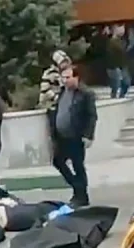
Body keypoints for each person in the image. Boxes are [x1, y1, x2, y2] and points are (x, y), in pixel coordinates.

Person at [50, 67, 98, 207]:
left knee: (78, 166)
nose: (65, 81)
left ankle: (81, 195)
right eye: (63, 77)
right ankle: (77, 188)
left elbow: (92, 115)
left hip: (76, 135)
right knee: (58, 161)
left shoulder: (85, 93)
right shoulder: (63, 92)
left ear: (76, 77)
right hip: (61, 136)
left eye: (68, 77)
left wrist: (88, 135)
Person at [105, 25, 131, 98]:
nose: (123, 30)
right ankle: (114, 96)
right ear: (115, 29)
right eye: (121, 28)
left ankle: (121, 95)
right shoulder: (111, 42)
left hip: (122, 65)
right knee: (116, 84)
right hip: (114, 66)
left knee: (127, 82)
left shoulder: (122, 40)